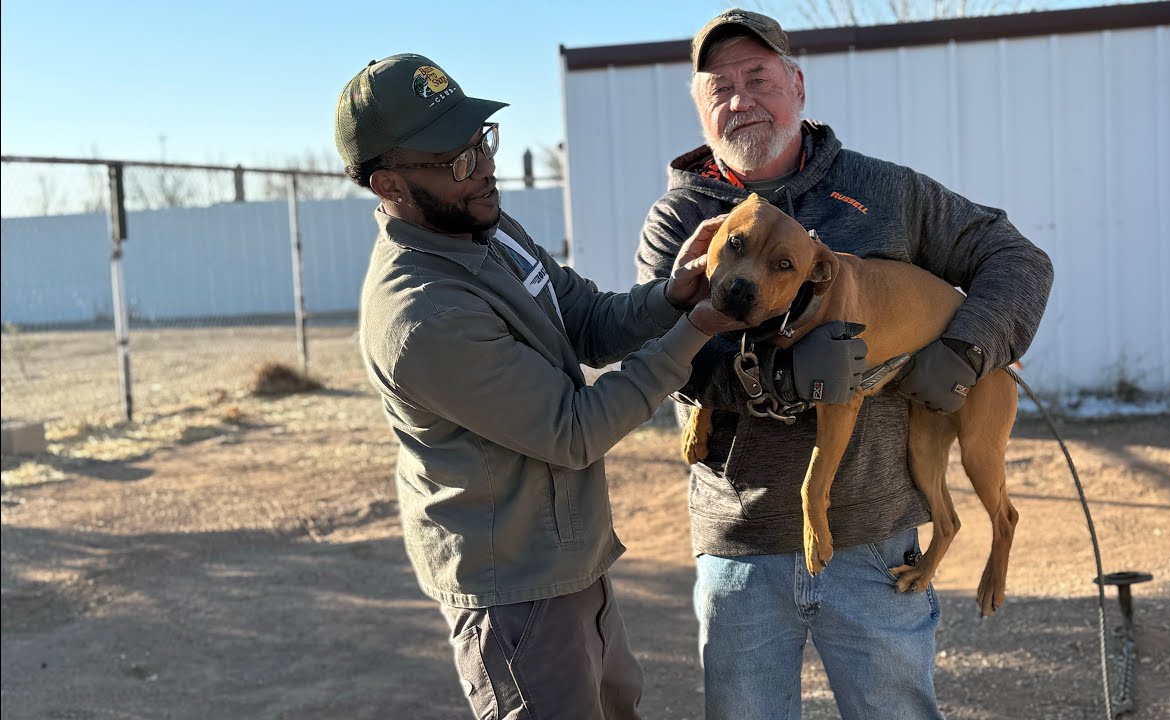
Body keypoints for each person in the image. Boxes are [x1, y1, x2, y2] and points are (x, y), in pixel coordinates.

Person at [636, 10, 1054, 719]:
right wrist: (771, 376)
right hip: (739, 548)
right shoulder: (680, 220)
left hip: (875, 544)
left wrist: (965, 348)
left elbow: (1017, 259)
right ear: (698, 105)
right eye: (720, 86)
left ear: (796, 86)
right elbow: (662, 349)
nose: (740, 100)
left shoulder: (887, 191)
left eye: (759, 78)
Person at [336, 53, 749, 719]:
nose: (485, 166)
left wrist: (671, 298)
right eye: (457, 159)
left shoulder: (485, 228)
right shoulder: (423, 316)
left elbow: (581, 317)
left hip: (567, 560)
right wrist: (695, 331)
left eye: (481, 142)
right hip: (516, 595)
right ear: (389, 184)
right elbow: (574, 430)